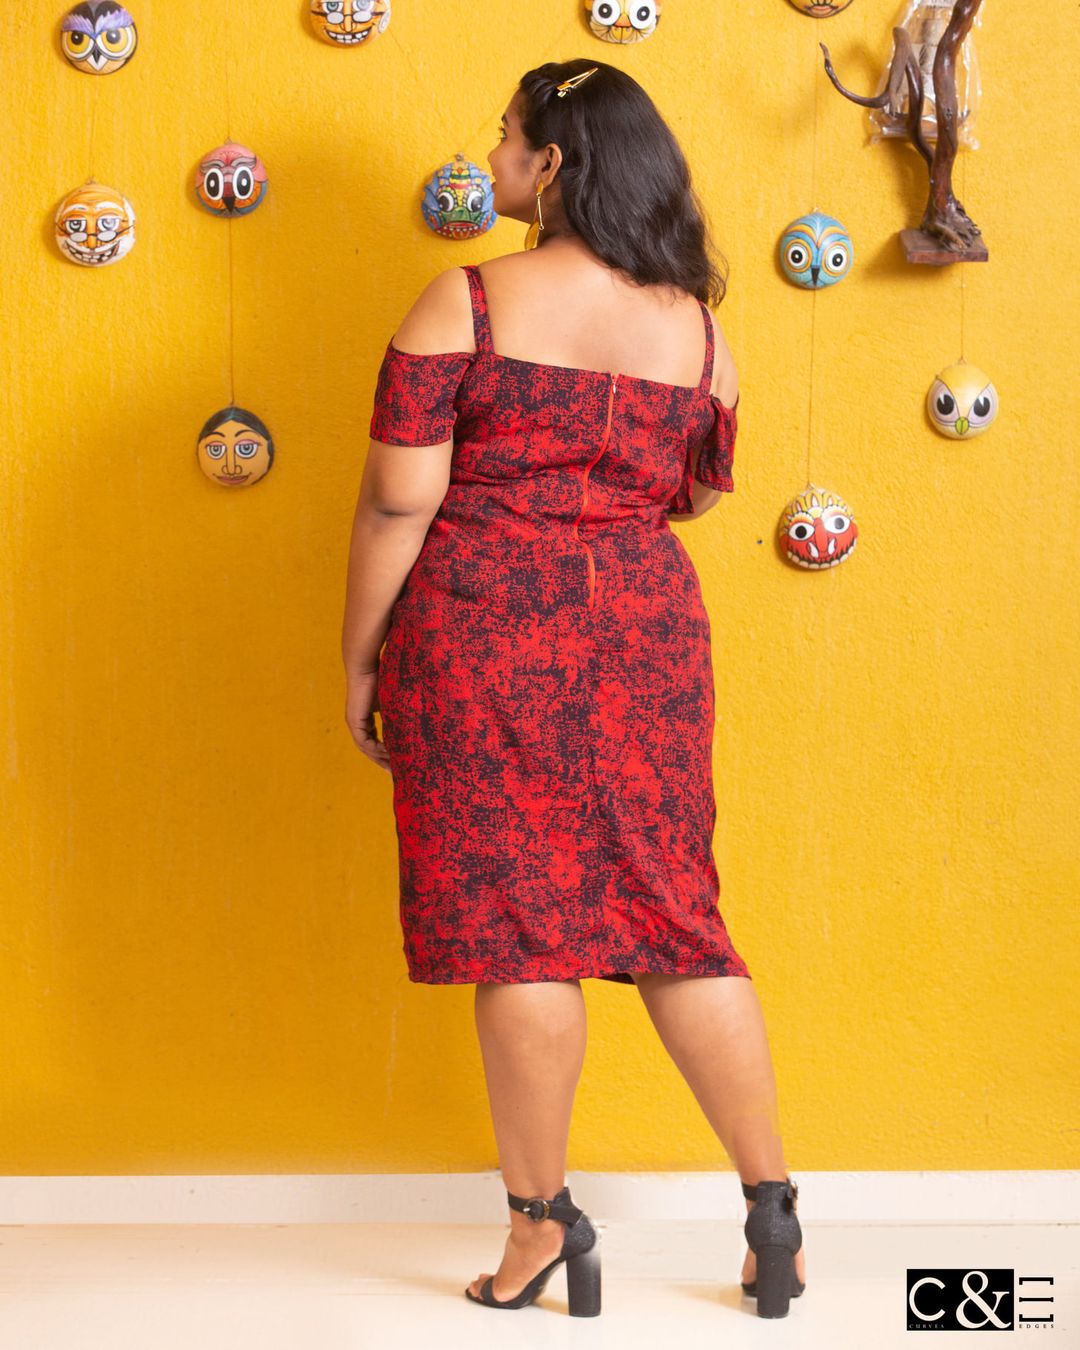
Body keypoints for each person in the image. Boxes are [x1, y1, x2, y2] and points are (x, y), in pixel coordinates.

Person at [341, 58, 806, 1319]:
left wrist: (360, 655)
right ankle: (772, 1211)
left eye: (506, 137)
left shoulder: (469, 299)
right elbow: (695, 495)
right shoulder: (700, 329)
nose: (491, 155)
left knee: (519, 925)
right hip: (647, 632)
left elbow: (399, 499)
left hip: (484, 622)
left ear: (553, 164)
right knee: (676, 915)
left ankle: (540, 1228)